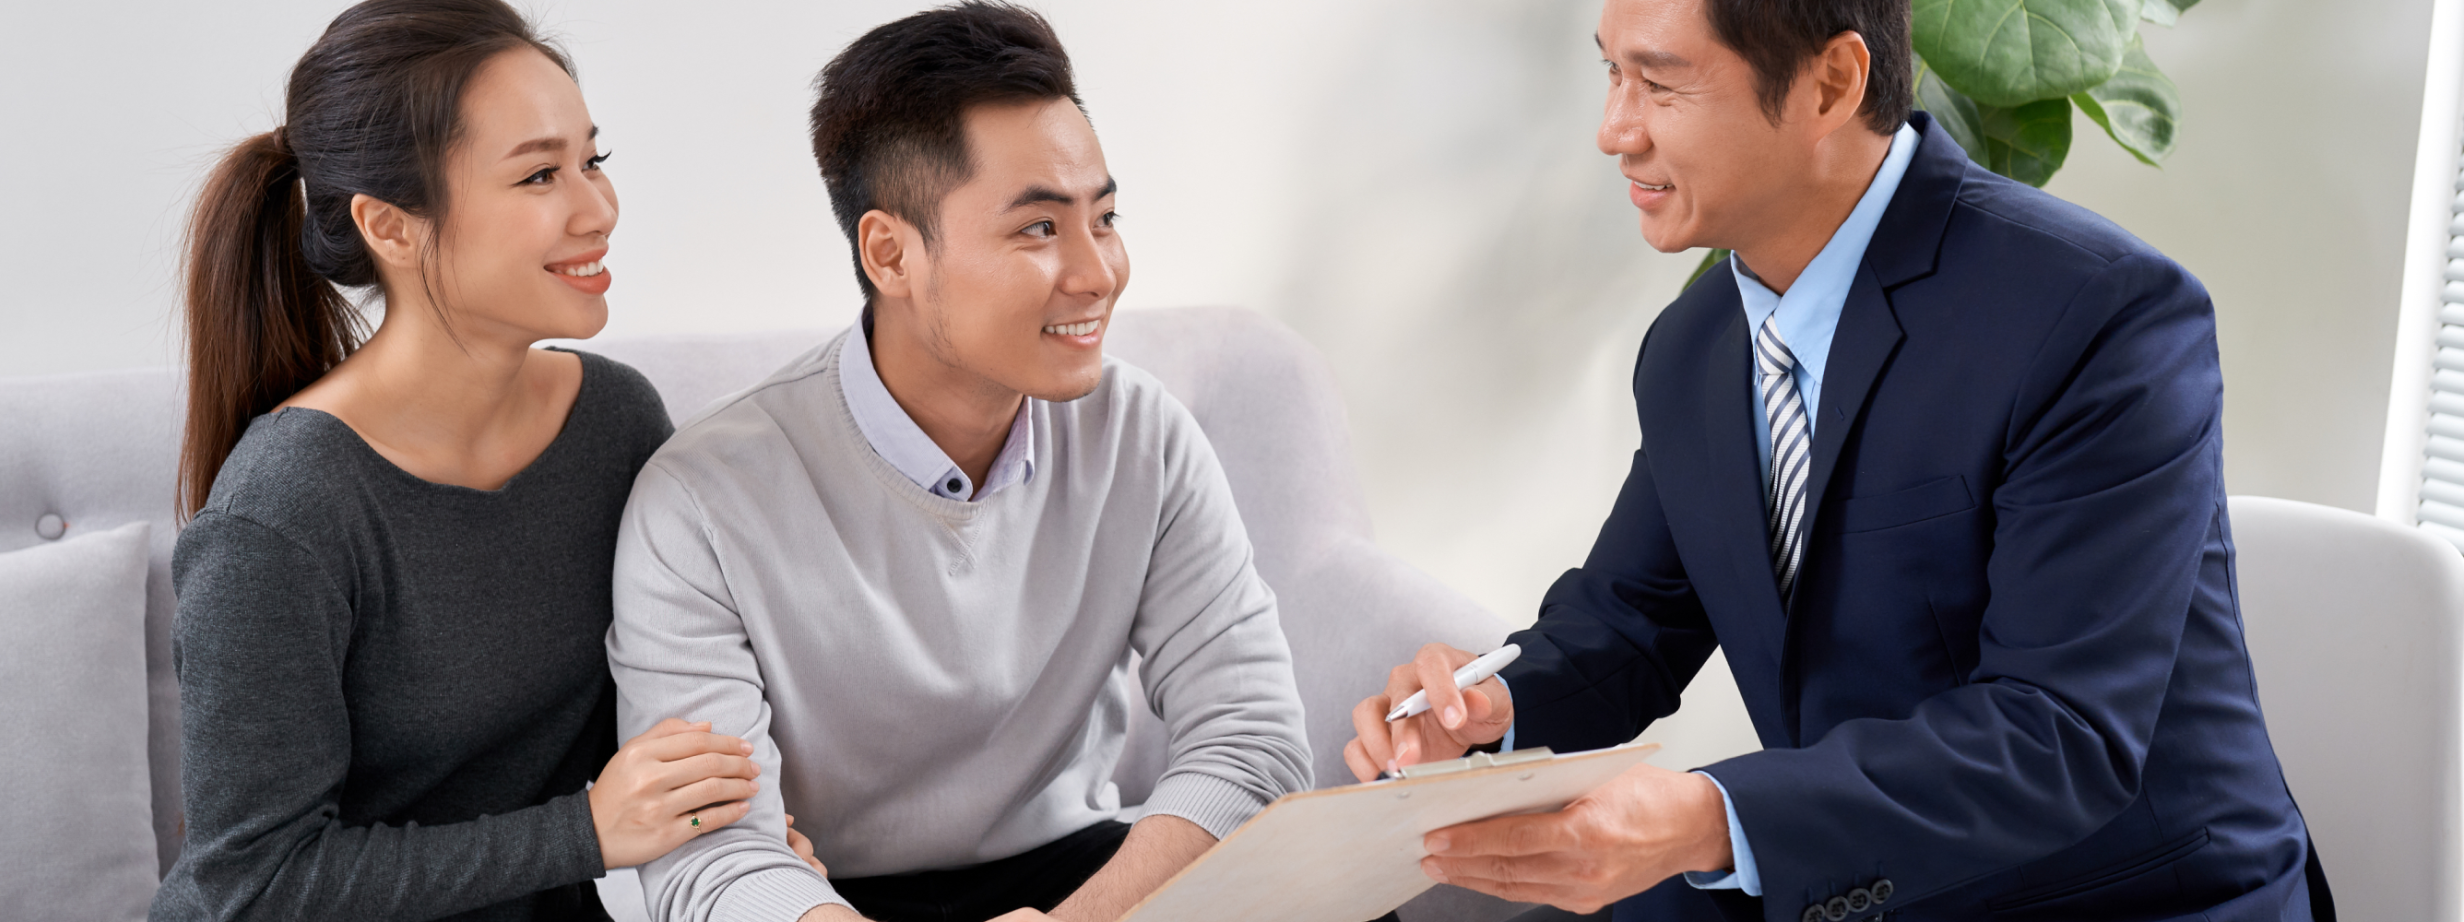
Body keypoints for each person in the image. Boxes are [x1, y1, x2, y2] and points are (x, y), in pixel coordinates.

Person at [1343, 0, 2327, 920]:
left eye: (1661, 84)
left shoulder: (2096, 312)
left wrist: (1701, 814)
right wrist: (1485, 708)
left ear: (1829, 83)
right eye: (1611, 75)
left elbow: (2056, 737)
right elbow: (1631, 623)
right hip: (1867, 884)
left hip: (2130, 897)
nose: (1614, 129)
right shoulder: (1694, 346)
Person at [604, 5, 1312, 922]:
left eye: (1104, 217)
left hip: (1084, 879)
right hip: (821, 899)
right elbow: (710, 856)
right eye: (1037, 231)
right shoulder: (700, 500)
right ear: (889, 253)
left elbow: (1251, 742)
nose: (1098, 271)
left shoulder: (1142, 435)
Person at [154, 2, 796, 919]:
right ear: (392, 226)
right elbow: (248, 886)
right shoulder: (283, 515)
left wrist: (742, 833)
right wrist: (583, 832)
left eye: (593, 160)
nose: (598, 208)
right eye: (540, 174)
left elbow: (663, 710)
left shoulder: (614, 421)